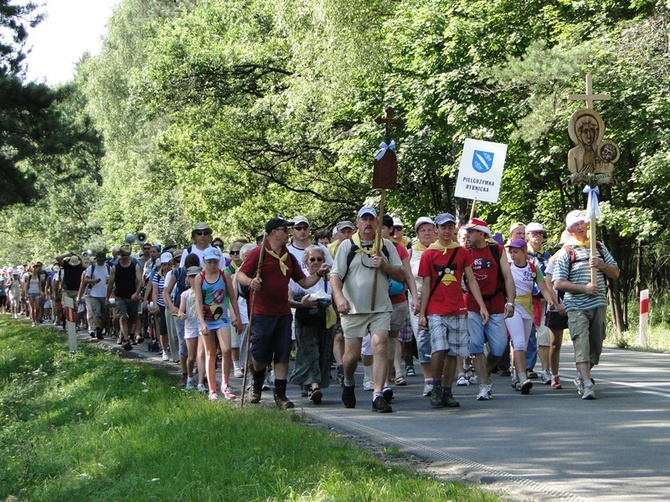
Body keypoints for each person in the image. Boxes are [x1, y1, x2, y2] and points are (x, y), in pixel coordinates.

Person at [237, 217, 330, 409]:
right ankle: (256, 381)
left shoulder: (289, 257)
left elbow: (303, 282)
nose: (288, 232)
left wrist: (319, 274)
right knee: (260, 355)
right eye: (284, 229)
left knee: (282, 354)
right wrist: (250, 282)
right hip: (261, 312)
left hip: (283, 312)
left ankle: (281, 395)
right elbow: (240, 274)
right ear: (273, 233)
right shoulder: (259, 253)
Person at [330, 206, 405, 413]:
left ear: (378, 222)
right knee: (351, 356)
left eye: (372, 219)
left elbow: (401, 275)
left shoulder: (387, 246)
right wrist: (339, 297)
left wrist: (385, 266)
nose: (368, 223)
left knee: (380, 344)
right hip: (353, 308)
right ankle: (348, 380)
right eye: (364, 219)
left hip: (380, 307)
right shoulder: (347, 247)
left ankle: (378, 394)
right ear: (357, 222)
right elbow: (335, 275)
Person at [418, 213, 488, 408]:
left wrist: (481, 305)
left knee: (452, 352)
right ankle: (436, 386)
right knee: (439, 348)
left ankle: (448, 391)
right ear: (436, 230)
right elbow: (425, 284)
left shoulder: (462, 252)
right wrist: (422, 313)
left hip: (458, 308)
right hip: (436, 308)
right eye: (443, 227)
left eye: (450, 227)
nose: (447, 231)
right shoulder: (429, 254)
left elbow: (470, 280)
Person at [552, 210, 619, 400]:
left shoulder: (598, 247)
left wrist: (601, 265)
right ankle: (587, 383)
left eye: (582, 223)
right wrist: (584, 288)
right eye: (576, 225)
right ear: (570, 230)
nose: (581, 227)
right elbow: (557, 283)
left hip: (598, 304)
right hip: (576, 306)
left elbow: (615, 272)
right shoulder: (566, 252)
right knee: (581, 342)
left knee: (595, 345)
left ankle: (582, 375)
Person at [464, 218, 516, 400]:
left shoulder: (497, 250)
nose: (467, 235)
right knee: (477, 344)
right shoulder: (465, 252)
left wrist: (511, 302)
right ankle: (484, 384)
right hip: (472, 305)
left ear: (481, 234)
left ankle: (483, 370)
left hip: (495, 303)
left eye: (471, 232)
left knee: (499, 347)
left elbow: (508, 276)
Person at [505, 239, 564, 395]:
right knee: (518, 343)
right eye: (511, 252)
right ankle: (523, 378)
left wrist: (552, 300)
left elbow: (543, 287)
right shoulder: (508, 267)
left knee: (523, 344)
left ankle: (516, 377)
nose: (513, 254)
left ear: (524, 251)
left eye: (516, 251)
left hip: (528, 309)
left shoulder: (533, 268)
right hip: (512, 307)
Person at [193, 246, 243, 401]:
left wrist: (238, 318)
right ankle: (212, 389)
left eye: (215, 262)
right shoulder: (199, 278)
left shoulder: (225, 275)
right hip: (207, 319)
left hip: (221, 318)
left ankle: (225, 385)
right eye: (210, 262)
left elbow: (232, 297)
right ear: (205, 262)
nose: (212, 265)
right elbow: (198, 301)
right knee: (210, 353)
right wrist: (202, 323)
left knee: (227, 350)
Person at [288, 245, 334, 404]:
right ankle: (314, 387)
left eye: (319, 259)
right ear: (306, 261)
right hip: (305, 318)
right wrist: (302, 303)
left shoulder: (331, 277)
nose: (315, 262)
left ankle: (314, 383)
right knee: (309, 350)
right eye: (312, 259)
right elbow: (289, 297)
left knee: (323, 350)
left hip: (325, 318)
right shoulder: (300, 277)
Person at [408, 216, 437, 397]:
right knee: (423, 341)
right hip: (417, 301)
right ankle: (428, 380)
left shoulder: (442, 250)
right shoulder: (411, 253)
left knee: (440, 343)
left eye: (429, 230)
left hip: (439, 301)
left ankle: (439, 379)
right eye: (422, 230)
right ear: (417, 234)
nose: (426, 233)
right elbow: (409, 276)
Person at [107, 243, 142, 351]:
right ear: (119, 255)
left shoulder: (134, 265)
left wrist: (136, 293)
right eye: (123, 254)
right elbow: (110, 283)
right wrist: (107, 297)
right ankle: (126, 339)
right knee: (122, 317)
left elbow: (140, 281)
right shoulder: (115, 267)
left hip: (132, 296)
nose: (125, 257)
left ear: (130, 254)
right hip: (120, 296)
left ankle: (131, 335)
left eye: (127, 254)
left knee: (133, 318)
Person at [177, 265, 204, 391]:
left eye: (196, 276)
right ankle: (190, 376)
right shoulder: (185, 294)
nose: (194, 279)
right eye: (191, 276)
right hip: (190, 326)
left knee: (201, 354)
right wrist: (181, 314)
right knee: (191, 356)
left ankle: (200, 382)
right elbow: (181, 310)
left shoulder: (204, 291)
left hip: (202, 324)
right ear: (187, 279)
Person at [77, 251, 110, 340]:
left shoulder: (108, 267)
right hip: (94, 294)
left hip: (105, 294)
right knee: (96, 312)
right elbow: (85, 280)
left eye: (102, 260)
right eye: (99, 260)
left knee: (104, 315)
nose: (101, 262)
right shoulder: (92, 268)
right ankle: (97, 330)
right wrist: (94, 281)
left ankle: (101, 328)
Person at [151, 252, 175, 361]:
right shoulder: (157, 276)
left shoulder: (175, 274)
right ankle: (164, 350)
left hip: (174, 303)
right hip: (162, 304)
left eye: (169, 264)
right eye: (164, 264)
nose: (167, 267)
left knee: (174, 330)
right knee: (163, 329)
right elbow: (155, 292)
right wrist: (155, 304)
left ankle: (175, 351)